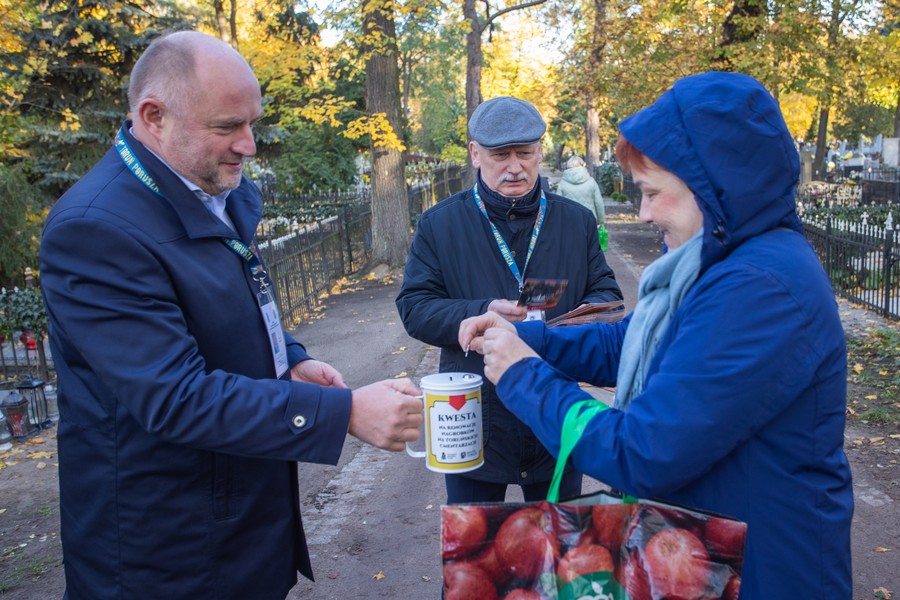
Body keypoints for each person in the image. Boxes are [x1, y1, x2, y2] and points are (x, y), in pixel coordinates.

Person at [39, 31, 423, 600]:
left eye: (252, 123)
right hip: (167, 551)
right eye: (227, 127)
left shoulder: (212, 189)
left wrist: (289, 359)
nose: (248, 145)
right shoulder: (95, 229)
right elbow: (173, 395)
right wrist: (342, 412)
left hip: (241, 518)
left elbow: (229, 305)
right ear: (154, 117)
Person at [458, 72, 852, 598]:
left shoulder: (758, 288)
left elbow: (642, 452)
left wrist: (523, 375)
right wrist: (531, 339)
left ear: (712, 188)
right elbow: (629, 343)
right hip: (716, 552)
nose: (643, 214)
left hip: (762, 568)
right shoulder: (723, 262)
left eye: (651, 193)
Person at [395, 96, 623, 504]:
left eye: (525, 153)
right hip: (475, 419)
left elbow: (606, 296)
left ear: (540, 151)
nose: (515, 167)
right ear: (475, 154)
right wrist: (479, 311)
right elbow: (415, 307)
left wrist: (560, 328)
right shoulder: (440, 224)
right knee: (475, 541)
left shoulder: (576, 221)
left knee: (558, 540)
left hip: (553, 410)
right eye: (501, 155)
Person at [556, 155, 606, 232]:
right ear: (582, 165)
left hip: (569, 222)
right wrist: (601, 222)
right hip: (589, 221)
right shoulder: (591, 182)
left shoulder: (562, 184)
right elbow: (599, 203)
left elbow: (557, 205)